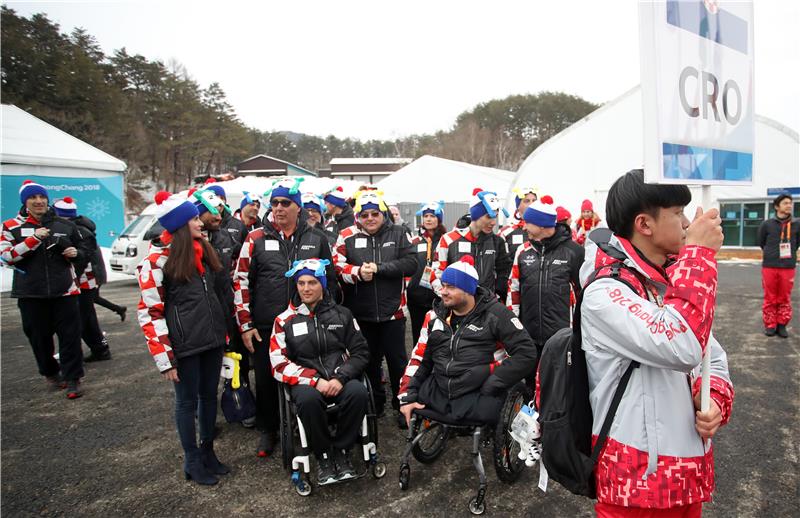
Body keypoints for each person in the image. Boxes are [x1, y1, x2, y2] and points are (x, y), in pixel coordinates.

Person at [581, 169, 733, 516]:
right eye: (678, 213)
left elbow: (712, 355)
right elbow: (681, 345)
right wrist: (697, 256)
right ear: (644, 225)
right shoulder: (605, 292)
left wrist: (712, 397)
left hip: (686, 476)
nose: (686, 223)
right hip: (637, 484)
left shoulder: (665, 282)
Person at [234, 177, 338, 458]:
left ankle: (314, 422)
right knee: (267, 380)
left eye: (285, 203)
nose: (278, 208)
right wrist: (246, 324)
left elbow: (330, 281)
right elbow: (241, 281)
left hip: (307, 322)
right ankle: (268, 429)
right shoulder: (255, 238)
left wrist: (330, 317)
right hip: (266, 323)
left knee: (309, 374)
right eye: (275, 203)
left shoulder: (316, 238)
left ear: (298, 208)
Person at [136, 191, 230, 486]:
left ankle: (207, 452)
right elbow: (150, 312)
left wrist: (223, 335)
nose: (200, 222)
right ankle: (191, 460)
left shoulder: (203, 249)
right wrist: (165, 359)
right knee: (186, 403)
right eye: (193, 218)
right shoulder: (156, 261)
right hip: (184, 345)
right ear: (179, 224)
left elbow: (214, 297)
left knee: (208, 398)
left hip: (211, 340)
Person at [398, 256, 537, 425]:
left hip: (477, 391)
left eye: (450, 287)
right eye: (443, 285)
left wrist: (494, 382)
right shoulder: (434, 317)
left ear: (468, 290)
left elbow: (526, 353)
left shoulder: (497, 315)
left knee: (489, 412)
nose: (443, 291)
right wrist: (407, 395)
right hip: (439, 390)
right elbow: (420, 359)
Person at [270, 259, 370, 484]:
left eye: (312, 283)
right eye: (301, 283)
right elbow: (278, 363)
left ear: (322, 285)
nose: (306, 288)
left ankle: (343, 451)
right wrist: (314, 380)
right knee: (308, 400)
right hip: (306, 381)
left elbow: (361, 352)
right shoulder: (283, 320)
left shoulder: (342, 314)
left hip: (339, 377)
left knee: (358, 392)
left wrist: (340, 377)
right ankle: (323, 455)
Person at [333, 190, 417, 429]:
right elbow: (336, 267)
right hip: (360, 313)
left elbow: (412, 264)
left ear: (383, 214)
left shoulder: (400, 233)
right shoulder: (346, 235)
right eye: (364, 214)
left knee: (398, 361)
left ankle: (402, 404)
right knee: (367, 361)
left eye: (375, 213)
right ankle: (374, 403)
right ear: (358, 215)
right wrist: (357, 273)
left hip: (393, 312)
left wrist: (380, 268)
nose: (370, 218)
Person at [1, 181, 89, 399]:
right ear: (25, 201)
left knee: (70, 336)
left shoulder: (62, 224)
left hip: (65, 290)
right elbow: (6, 256)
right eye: (33, 197)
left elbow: (85, 250)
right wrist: (33, 239)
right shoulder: (11, 226)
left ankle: (73, 379)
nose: (39, 201)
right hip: (31, 292)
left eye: (42, 197)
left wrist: (76, 254)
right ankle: (50, 371)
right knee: (39, 338)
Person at [507, 201, 584, 373]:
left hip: (562, 339)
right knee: (531, 383)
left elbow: (584, 295)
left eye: (528, 223)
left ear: (541, 225)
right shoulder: (522, 251)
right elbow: (513, 290)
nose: (524, 227)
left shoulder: (574, 252)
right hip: (528, 337)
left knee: (558, 386)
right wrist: (513, 328)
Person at [53, 197, 112, 362]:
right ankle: (98, 349)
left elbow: (82, 258)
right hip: (79, 280)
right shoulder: (76, 228)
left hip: (81, 280)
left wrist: (69, 278)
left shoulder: (77, 230)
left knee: (82, 317)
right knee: (84, 317)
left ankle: (97, 350)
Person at [431, 188, 511, 302]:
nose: (493, 222)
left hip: (486, 306)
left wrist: (495, 296)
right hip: (457, 306)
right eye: (489, 216)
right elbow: (436, 274)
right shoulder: (449, 239)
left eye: (496, 216)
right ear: (476, 215)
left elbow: (504, 272)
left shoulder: (498, 241)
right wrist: (448, 297)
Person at [758, 192, 798, 338]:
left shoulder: (796, 224)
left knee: (784, 297)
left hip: (788, 266)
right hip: (770, 265)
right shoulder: (767, 224)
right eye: (785, 203)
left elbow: (797, 243)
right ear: (777, 206)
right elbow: (761, 242)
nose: (789, 205)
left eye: (790, 203)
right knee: (770, 297)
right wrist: (771, 253)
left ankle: (782, 325)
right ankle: (770, 325)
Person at [407, 201, 447, 344]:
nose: (429, 219)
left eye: (432, 216)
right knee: (418, 336)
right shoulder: (414, 241)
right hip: (416, 296)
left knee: (438, 334)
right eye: (426, 216)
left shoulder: (445, 240)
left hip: (438, 295)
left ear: (439, 219)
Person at [499, 186, 539, 260]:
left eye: (534, 201)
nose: (531, 204)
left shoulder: (544, 229)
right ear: (518, 206)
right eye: (527, 201)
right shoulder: (505, 232)